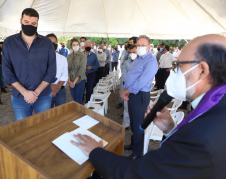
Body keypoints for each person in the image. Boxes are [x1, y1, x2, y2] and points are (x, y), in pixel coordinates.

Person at [71, 34, 226, 179]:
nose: (173, 70)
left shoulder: (202, 137)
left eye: (178, 65)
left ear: (202, 70)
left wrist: (95, 151)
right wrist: (170, 129)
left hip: (139, 95)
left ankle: (137, 151)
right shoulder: (216, 108)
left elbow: (138, 174)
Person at [2, 8, 56, 121]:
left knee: (43, 127)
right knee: (23, 129)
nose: (30, 25)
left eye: (33, 23)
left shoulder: (47, 43)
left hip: (43, 96)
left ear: (37, 24)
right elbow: (7, 71)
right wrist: (25, 92)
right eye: (26, 22)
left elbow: (51, 70)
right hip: (19, 96)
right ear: (21, 20)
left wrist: (35, 93)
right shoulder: (9, 42)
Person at [121, 35, 158, 159]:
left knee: (138, 125)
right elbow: (131, 75)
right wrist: (127, 91)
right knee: (133, 123)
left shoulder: (151, 61)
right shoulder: (138, 58)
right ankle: (134, 144)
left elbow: (142, 81)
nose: (140, 47)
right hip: (133, 94)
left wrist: (126, 91)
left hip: (140, 95)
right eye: (138, 45)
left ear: (149, 47)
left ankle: (137, 154)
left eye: (143, 45)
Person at [46, 34, 68, 108]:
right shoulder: (40, 59)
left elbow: (64, 76)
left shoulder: (63, 59)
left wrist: (56, 89)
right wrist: (51, 87)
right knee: (47, 114)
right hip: (46, 90)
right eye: (49, 42)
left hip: (60, 90)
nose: (53, 44)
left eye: (54, 42)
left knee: (61, 113)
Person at [121, 44, 137, 128]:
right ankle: (126, 123)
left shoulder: (141, 63)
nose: (132, 54)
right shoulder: (127, 63)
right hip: (128, 88)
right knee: (126, 107)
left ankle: (135, 124)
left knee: (137, 109)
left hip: (138, 89)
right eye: (131, 53)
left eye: (134, 52)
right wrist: (126, 88)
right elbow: (124, 75)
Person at [67, 38, 87, 105]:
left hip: (79, 80)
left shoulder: (83, 56)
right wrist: (69, 82)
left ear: (79, 45)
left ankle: (81, 115)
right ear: (71, 46)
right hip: (71, 81)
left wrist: (74, 82)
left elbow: (82, 69)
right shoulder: (69, 56)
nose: (75, 46)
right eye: (74, 45)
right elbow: (67, 69)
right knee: (74, 100)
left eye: (77, 44)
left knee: (78, 101)